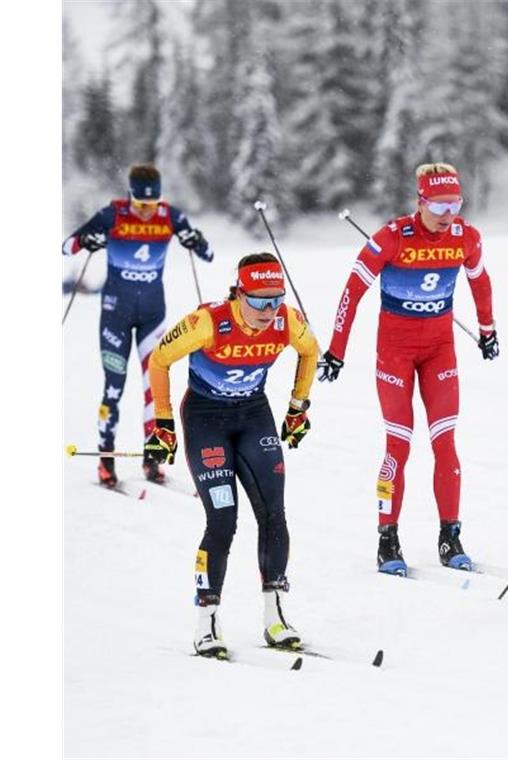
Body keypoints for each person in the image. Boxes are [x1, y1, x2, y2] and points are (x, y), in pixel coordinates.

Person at [319, 162, 498, 576]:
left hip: (440, 352)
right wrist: (336, 351)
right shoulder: (391, 238)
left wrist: (488, 330)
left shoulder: (465, 237)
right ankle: (388, 538)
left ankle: (450, 538)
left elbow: (480, 281)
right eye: (437, 204)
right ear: (419, 202)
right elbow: (352, 292)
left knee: (445, 442)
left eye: (454, 203)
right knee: (399, 445)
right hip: (394, 355)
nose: (446, 212)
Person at [146, 253, 320, 658]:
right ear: (238, 293)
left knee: (274, 514)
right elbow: (160, 360)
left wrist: (298, 407)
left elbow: (310, 351)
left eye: (275, 299)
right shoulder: (208, 322)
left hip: (253, 417)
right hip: (207, 420)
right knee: (223, 520)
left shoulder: (286, 321)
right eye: (258, 300)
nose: (268, 310)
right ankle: (206, 622)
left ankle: (275, 616)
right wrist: (164, 424)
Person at [62, 164, 214, 487]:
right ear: (130, 196)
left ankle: (152, 457)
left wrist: (194, 239)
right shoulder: (113, 213)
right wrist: (85, 240)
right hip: (115, 314)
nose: (146, 212)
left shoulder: (170, 216)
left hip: (152, 315)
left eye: (152, 205)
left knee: (154, 387)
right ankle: (106, 459)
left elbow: (209, 254)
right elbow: (66, 247)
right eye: (140, 205)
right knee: (113, 388)